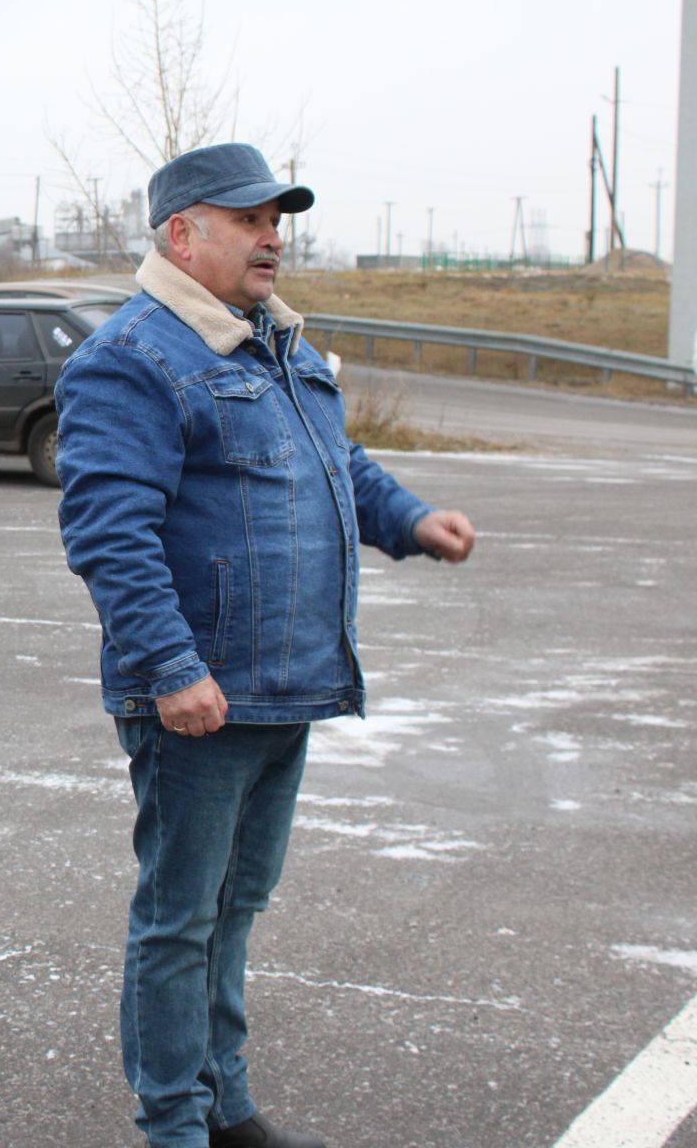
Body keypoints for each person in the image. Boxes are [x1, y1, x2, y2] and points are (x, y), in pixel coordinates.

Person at [56, 143, 477, 1148]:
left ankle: (226, 1103)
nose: (272, 236)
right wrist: (172, 667)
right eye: (249, 218)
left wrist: (412, 519)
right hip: (200, 694)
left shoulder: (274, 345)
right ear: (181, 233)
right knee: (179, 922)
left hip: (285, 683)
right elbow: (111, 534)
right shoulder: (134, 356)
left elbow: (344, 466)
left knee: (233, 909)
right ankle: (175, 1126)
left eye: (276, 218)